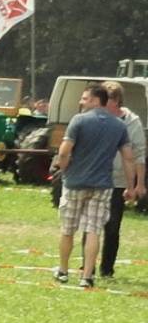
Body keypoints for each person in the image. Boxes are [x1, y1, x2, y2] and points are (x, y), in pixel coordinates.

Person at [51, 85, 139, 287]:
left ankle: (63, 271)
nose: (81, 102)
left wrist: (62, 167)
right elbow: (128, 158)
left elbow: (64, 152)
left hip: (74, 183)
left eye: (84, 98)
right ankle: (87, 276)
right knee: (93, 231)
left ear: (95, 100)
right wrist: (130, 186)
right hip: (102, 186)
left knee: (68, 230)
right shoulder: (118, 125)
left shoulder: (78, 120)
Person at [98, 81, 146, 279]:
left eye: (106, 99)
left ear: (117, 100)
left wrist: (139, 183)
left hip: (118, 182)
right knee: (91, 227)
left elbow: (138, 154)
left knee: (112, 228)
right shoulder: (96, 118)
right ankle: (87, 267)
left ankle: (107, 270)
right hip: (96, 179)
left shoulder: (132, 121)